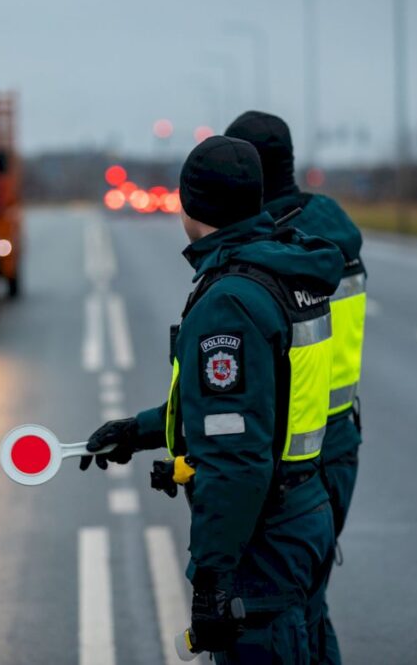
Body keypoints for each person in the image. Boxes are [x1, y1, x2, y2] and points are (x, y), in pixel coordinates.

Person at [80, 136, 344, 663]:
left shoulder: (230, 301)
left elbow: (237, 455)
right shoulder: (287, 271)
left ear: (189, 204)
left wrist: (211, 579)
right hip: (307, 512)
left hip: (263, 540)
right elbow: (264, 408)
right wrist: (139, 431)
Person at [225, 111, 368, 665]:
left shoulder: (285, 246)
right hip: (341, 440)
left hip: (298, 455)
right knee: (310, 602)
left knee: (286, 613)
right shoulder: (332, 230)